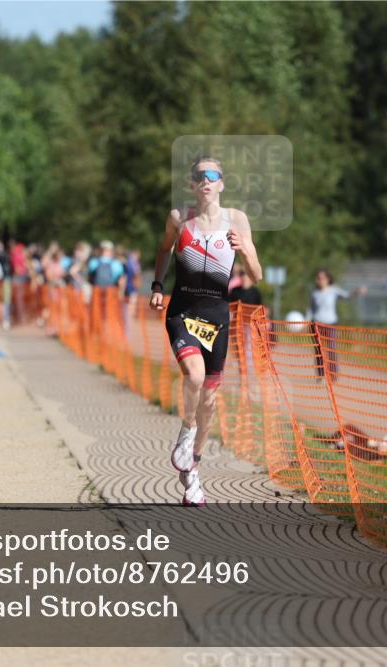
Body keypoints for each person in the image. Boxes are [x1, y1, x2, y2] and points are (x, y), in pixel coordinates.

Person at [150, 156, 263, 506]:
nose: (206, 180)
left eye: (213, 175)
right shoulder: (179, 218)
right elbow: (163, 249)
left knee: (210, 401)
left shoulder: (237, 220)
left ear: (222, 183)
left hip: (217, 317)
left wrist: (245, 251)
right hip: (183, 312)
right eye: (200, 175)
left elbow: (257, 275)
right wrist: (158, 285)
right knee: (195, 377)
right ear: (192, 184)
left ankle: (194, 470)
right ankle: (186, 432)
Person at [307, 269, 366, 382]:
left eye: (323, 278)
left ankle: (333, 374)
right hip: (317, 324)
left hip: (331, 324)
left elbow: (348, 296)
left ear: (328, 279)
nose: (320, 280)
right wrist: (306, 321)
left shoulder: (334, 290)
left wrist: (357, 291)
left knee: (331, 348)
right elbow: (311, 309)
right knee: (318, 350)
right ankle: (320, 375)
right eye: (318, 278)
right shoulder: (315, 293)